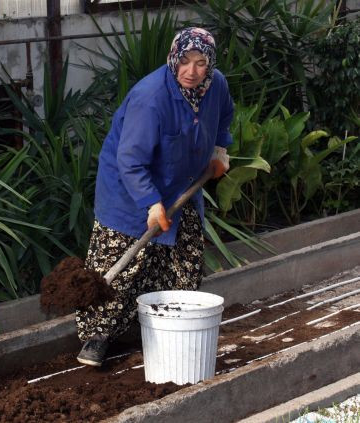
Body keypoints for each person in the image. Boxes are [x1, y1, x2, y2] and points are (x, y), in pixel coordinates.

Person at [76, 27, 233, 367]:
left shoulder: (216, 85)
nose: (192, 71)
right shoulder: (151, 97)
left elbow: (223, 117)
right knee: (125, 265)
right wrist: (150, 203)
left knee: (184, 260)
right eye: (185, 62)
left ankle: (168, 329)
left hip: (183, 187)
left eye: (201, 62)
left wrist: (219, 149)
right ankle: (98, 336)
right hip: (130, 191)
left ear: (210, 64)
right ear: (173, 60)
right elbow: (130, 160)